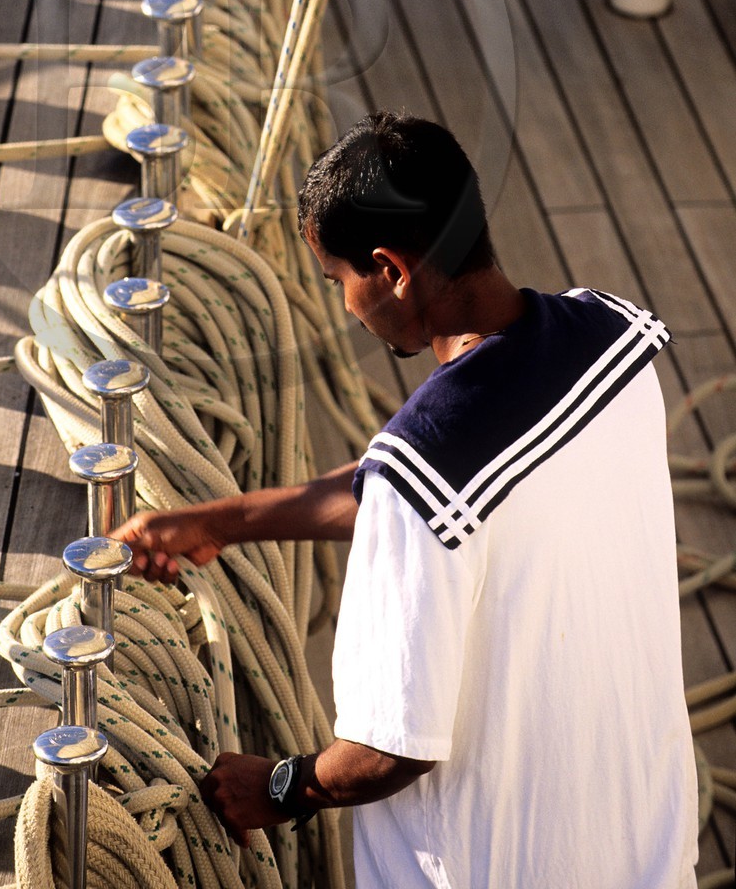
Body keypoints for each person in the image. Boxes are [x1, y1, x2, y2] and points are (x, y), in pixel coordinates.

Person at [112, 111, 698, 888]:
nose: (345, 306)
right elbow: (439, 495)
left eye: (338, 281)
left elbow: (390, 751)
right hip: (646, 845)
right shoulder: (614, 340)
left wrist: (276, 788)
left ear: (389, 270)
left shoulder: (420, 476)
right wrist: (226, 520)